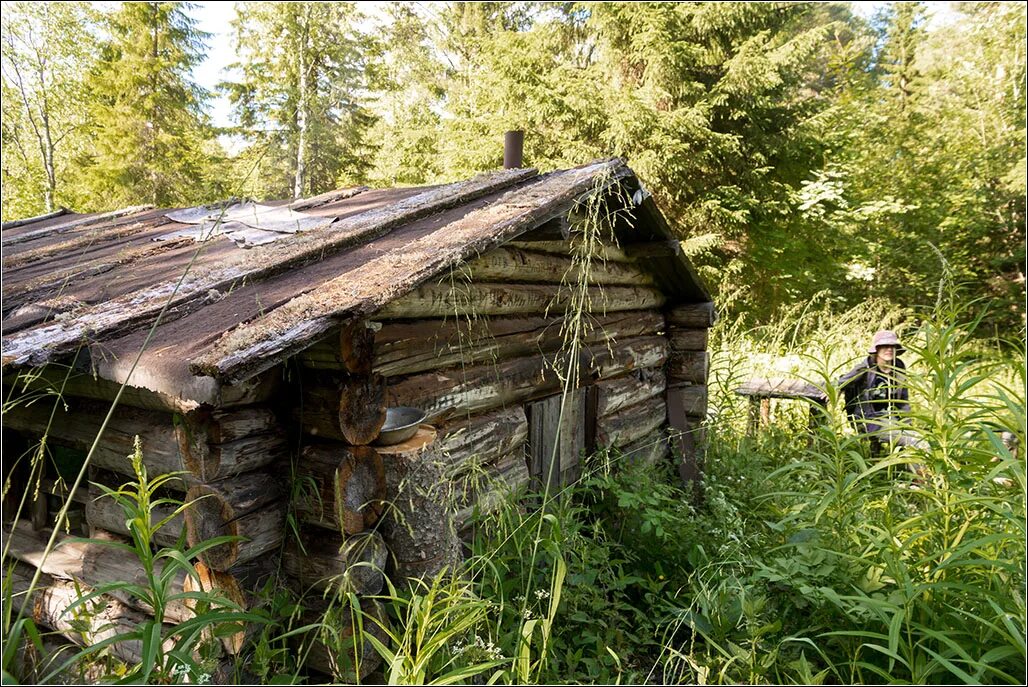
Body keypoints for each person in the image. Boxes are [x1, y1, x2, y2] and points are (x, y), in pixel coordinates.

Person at [837, 330, 925, 451]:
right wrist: (830, 391)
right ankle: (924, 470)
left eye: (892, 346)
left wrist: (907, 423)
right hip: (870, 420)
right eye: (884, 346)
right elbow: (842, 382)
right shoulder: (865, 368)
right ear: (876, 349)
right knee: (916, 441)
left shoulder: (898, 369)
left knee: (916, 439)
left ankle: (915, 469)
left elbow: (903, 400)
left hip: (893, 419)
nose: (889, 349)